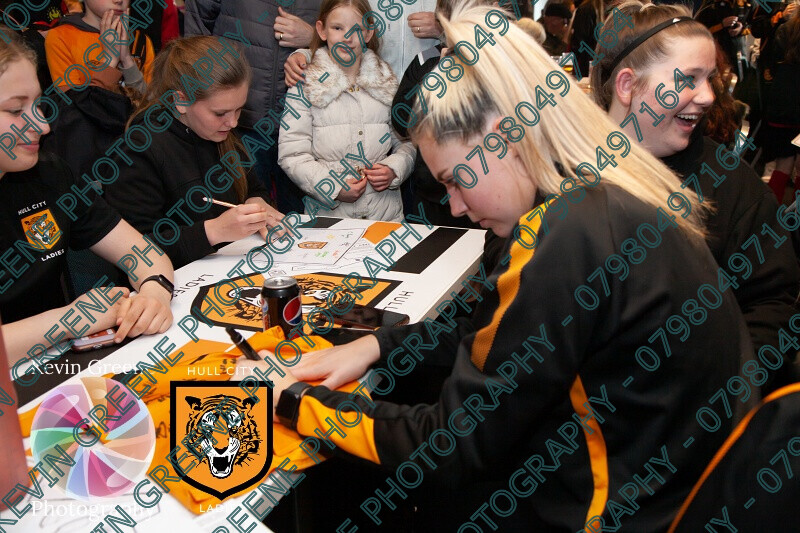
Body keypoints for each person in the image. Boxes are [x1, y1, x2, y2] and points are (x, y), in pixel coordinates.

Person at [241, 4, 751, 530]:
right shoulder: (593, 191)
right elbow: (495, 331)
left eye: (457, 179)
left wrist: (295, 399)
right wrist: (375, 343)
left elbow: (452, 445)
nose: (456, 206)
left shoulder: (560, 234)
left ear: (505, 136)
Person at [590, 2, 799, 390]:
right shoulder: (565, 177)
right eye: (689, 79)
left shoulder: (731, 183)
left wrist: (719, 395)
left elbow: (772, 305)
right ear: (627, 86)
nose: (705, 97)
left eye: (710, 79)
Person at [0, 29, 174, 365]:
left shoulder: (48, 173)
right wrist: (69, 320)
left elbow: (143, 254)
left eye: (38, 104)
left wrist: (153, 293)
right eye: (16, 110)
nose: (44, 125)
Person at [104, 36, 284, 270]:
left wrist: (256, 202)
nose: (233, 122)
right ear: (181, 101)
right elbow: (134, 251)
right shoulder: (137, 151)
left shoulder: (218, 133)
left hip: (228, 268)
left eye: (239, 109)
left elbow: (252, 186)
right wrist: (213, 232)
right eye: (221, 113)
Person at [278, 0, 415, 222]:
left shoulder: (386, 81)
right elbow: (292, 155)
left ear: (369, 33)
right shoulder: (304, 84)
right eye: (337, 28)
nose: (347, 38)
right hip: (328, 220)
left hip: (385, 218)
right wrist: (332, 188)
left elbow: (408, 142)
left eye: (357, 29)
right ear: (321, 30)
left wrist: (394, 169)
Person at [184, 0, 321, 215]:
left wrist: (314, 38)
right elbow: (195, 36)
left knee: (305, 227)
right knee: (241, 218)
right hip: (240, 123)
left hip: (307, 124)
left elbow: (352, 32)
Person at [44, 0, 154, 94]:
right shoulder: (61, 37)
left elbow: (150, 108)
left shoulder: (141, 40)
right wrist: (109, 60)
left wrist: (127, 62)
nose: (119, 1)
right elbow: (75, 110)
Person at [764, 6, 800, 201]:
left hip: (782, 102)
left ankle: (771, 218)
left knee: (783, 165)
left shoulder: (784, 29)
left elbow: (771, 64)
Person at [694, 0, 745, 73]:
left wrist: (741, 28)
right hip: (717, 51)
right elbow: (700, 32)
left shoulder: (743, 2)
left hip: (738, 50)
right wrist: (721, 25)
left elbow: (751, 23)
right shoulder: (710, 5)